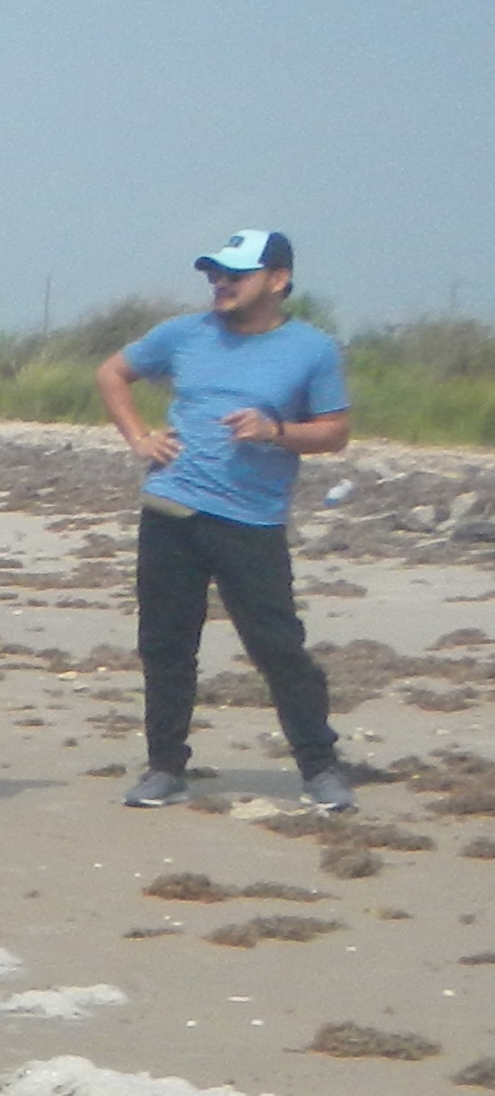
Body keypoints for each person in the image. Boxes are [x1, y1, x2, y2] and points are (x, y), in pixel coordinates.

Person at [101, 229, 355, 810]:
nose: (221, 284)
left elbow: (336, 432)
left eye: (235, 275)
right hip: (171, 508)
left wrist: (277, 432)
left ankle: (320, 767)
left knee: (278, 647)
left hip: (251, 521)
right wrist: (140, 437)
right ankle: (164, 767)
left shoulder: (312, 348)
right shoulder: (183, 334)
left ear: (278, 280)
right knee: (165, 646)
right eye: (215, 274)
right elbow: (111, 373)